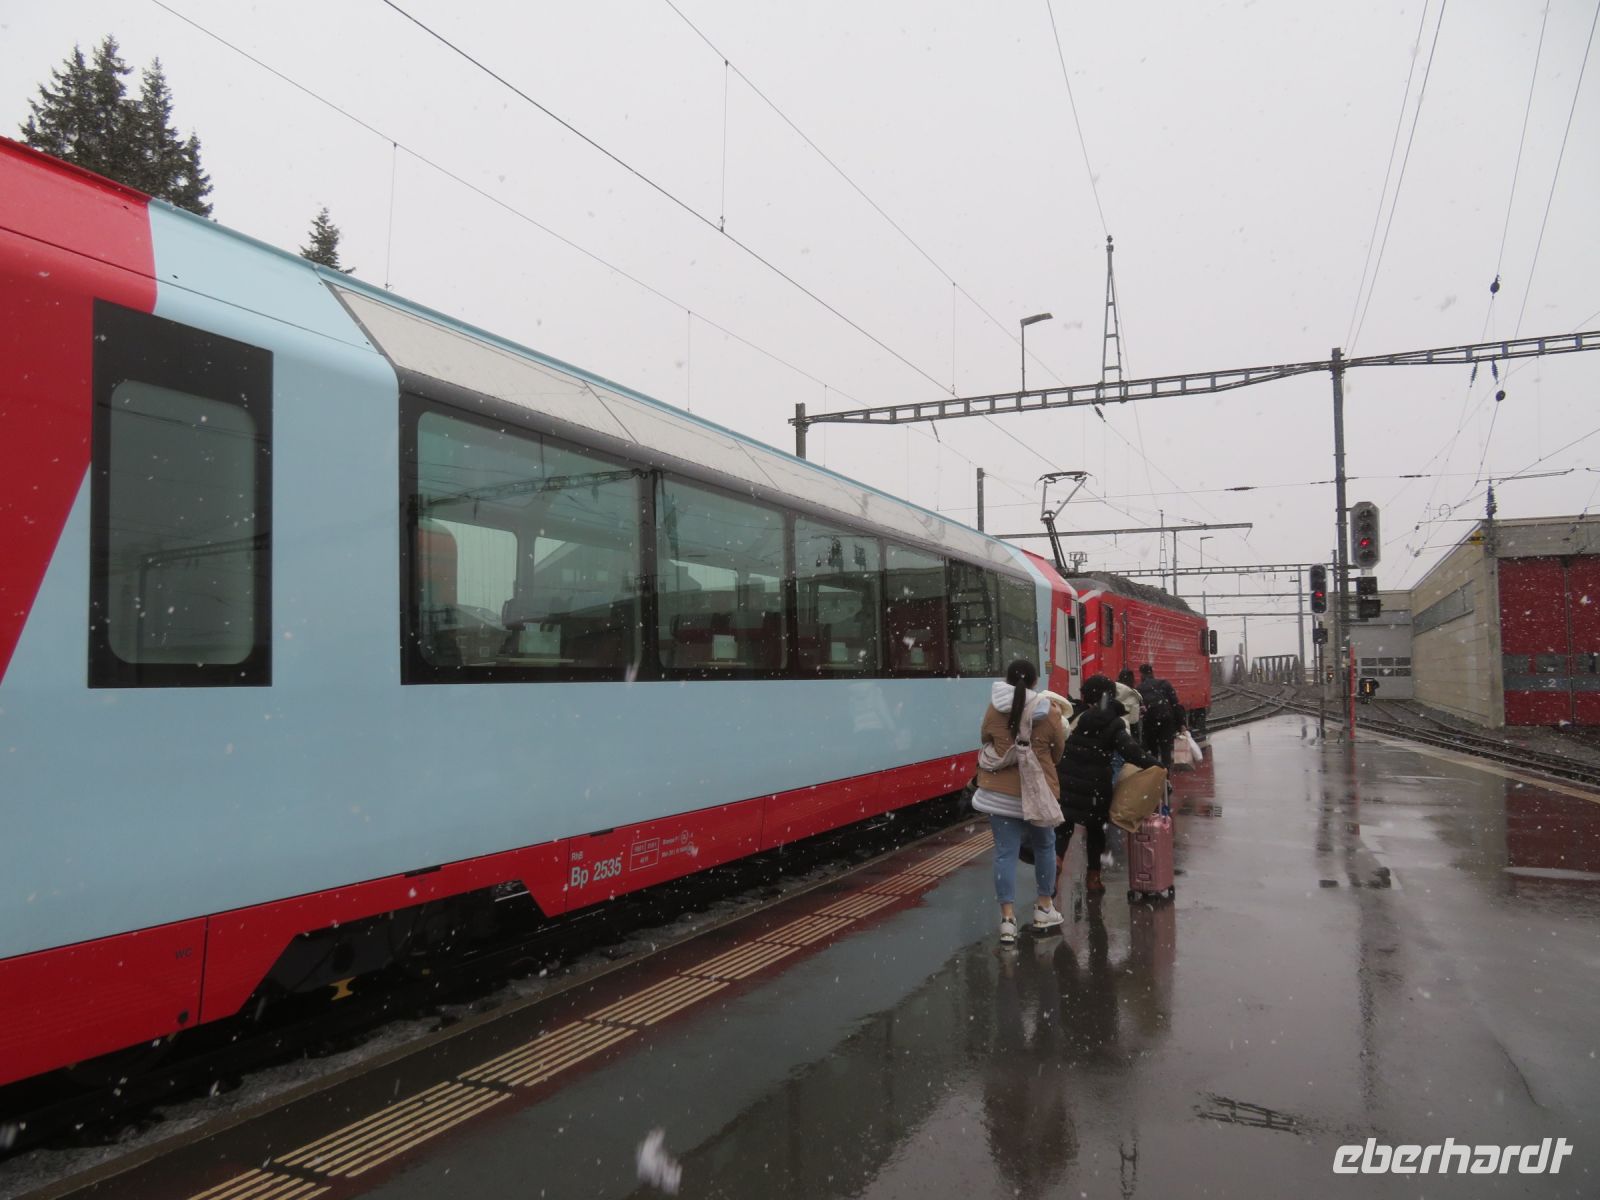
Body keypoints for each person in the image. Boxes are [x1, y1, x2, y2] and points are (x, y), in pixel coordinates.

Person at [973, 659, 1066, 943]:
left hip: (999, 793)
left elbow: (986, 736)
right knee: (1045, 846)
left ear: (1008, 679)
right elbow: (1058, 751)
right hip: (1037, 793)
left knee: (1005, 854)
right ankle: (1044, 908)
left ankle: (1007, 920)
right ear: (1035, 681)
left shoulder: (994, 707)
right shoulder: (1049, 710)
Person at [1057, 674, 1159, 894]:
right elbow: (1131, 752)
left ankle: (1055, 866)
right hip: (1095, 786)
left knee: (1063, 828)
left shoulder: (1076, 715)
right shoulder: (1113, 721)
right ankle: (1093, 878)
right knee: (1095, 832)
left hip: (1067, 781)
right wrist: (1156, 765)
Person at [1136, 662, 1184, 769]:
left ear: (1141, 674)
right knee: (1165, 749)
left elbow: (1138, 708)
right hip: (1166, 721)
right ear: (1152, 672)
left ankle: (1156, 772)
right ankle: (1166, 773)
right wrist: (1181, 723)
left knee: (1153, 750)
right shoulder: (1164, 684)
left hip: (1150, 722)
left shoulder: (1139, 688)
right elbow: (1175, 704)